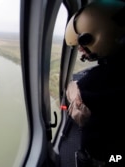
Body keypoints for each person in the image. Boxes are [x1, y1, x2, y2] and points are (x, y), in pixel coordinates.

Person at [64, 1, 125, 166]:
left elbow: (78, 113)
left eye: (84, 43)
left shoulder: (96, 82)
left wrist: (75, 87)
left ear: (100, 35)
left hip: (106, 155)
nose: (81, 50)